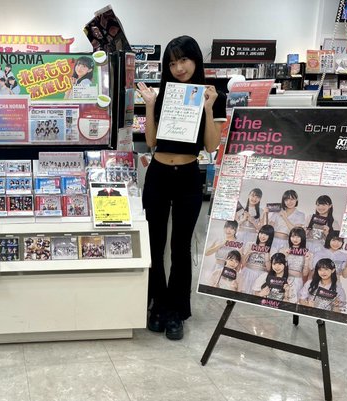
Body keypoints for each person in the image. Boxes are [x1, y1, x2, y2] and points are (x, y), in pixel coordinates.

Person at [136, 35, 226, 340]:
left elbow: (211, 146)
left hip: (188, 175)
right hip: (158, 173)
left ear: (196, 60)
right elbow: (151, 141)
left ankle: (176, 309)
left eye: (184, 60)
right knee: (155, 243)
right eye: (172, 63)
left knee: (181, 246)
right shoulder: (163, 96)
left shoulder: (210, 96)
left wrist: (208, 109)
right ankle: (158, 304)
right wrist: (150, 105)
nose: (179, 67)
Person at [239, 224, 274, 294]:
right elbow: (242, 264)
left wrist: (267, 256)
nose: (263, 236)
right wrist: (248, 252)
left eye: (266, 235)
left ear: (270, 236)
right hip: (247, 273)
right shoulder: (250, 244)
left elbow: (269, 269)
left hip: (260, 276)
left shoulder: (272, 249)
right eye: (261, 233)